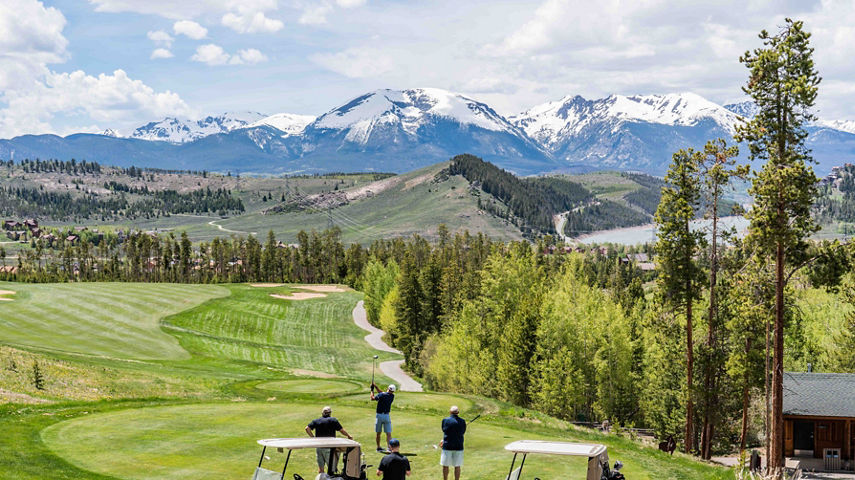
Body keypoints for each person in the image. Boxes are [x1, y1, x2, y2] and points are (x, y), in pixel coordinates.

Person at [305, 406, 353, 474]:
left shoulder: (316, 421)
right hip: (329, 448)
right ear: (330, 413)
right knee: (331, 470)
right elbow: (341, 430)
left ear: (322, 413)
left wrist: (313, 438)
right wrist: (348, 435)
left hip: (319, 447)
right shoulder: (333, 420)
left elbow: (307, 428)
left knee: (321, 469)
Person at [440, 405, 466, 480]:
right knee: (457, 466)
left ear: (450, 412)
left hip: (447, 445)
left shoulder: (445, 420)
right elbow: (463, 432)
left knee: (445, 465)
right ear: (458, 412)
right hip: (458, 446)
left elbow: (444, 430)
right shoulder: (462, 421)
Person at [370, 383, 396, 452]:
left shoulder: (382, 395)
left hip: (379, 416)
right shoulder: (392, 396)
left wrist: (372, 390)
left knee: (378, 433)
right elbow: (381, 393)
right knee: (388, 433)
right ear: (393, 391)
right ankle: (389, 448)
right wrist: (376, 386)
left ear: (388, 388)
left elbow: (372, 398)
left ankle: (378, 448)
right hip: (387, 416)